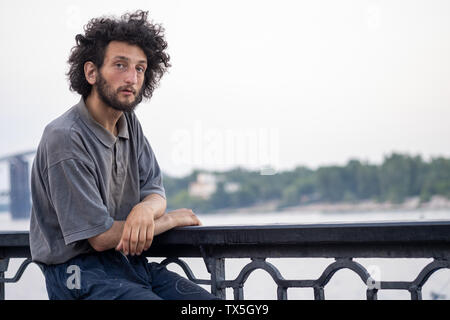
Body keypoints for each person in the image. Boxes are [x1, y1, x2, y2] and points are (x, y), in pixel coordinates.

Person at [29, 10, 218, 300]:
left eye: (140, 68)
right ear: (91, 72)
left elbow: (155, 193)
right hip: (77, 274)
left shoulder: (128, 122)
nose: (132, 78)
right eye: (120, 65)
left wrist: (144, 210)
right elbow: (101, 236)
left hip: (130, 265)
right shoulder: (65, 137)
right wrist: (166, 221)